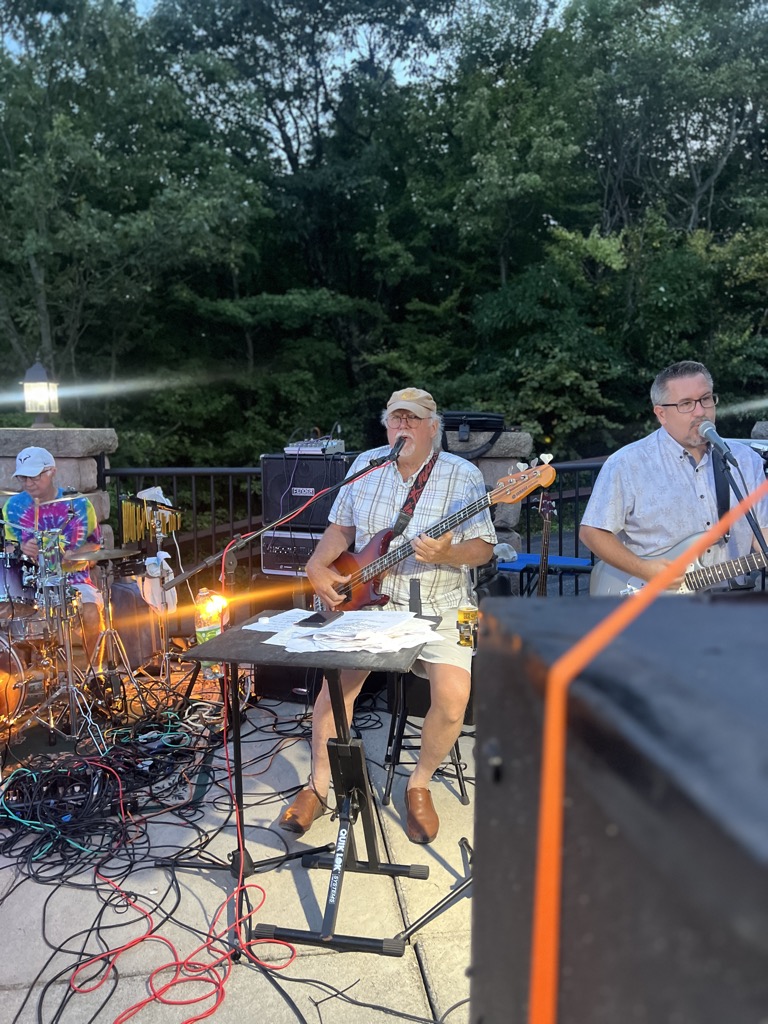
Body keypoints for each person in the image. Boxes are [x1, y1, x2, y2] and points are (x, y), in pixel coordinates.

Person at [279, 387, 497, 844]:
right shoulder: (366, 464)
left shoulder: (463, 475)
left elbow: (482, 550)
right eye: (398, 419)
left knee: (455, 697)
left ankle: (419, 784)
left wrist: (447, 551)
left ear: (433, 427)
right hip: (372, 601)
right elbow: (341, 529)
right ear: (386, 425)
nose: (405, 427)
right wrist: (318, 566)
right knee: (334, 687)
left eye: (415, 420)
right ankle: (318, 786)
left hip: (445, 602)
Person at [580, 360, 768, 592]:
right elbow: (592, 531)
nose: (700, 411)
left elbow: (763, 532)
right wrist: (644, 569)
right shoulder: (628, 463)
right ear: (661, 414)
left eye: (706, 399)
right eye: (686, 404)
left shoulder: (744, 460)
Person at [3, 446, 104, 659]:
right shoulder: (13, 507)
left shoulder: (79, 504)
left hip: (73, 580)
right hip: (29, 584)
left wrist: (74, 555)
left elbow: (96, 546)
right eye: (23, 478)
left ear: (52, 471)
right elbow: (7, 549)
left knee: (91, 611)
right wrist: (20, 548)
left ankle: (94, 669)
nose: (29, 483)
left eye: (35, 476)